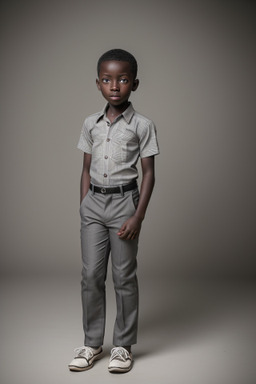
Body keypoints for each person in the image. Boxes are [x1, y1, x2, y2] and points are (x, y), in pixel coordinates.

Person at [69, 49, 159, 374]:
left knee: (123, 277)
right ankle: (92, 343)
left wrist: (138, 216)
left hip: (124, 205)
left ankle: (122, 346)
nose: (115, 86)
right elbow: (85, 168)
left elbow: (149, 173)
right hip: (94, 204)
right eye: (107, 80)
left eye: (122, 79)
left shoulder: (143, 125)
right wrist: (84, 204)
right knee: (91, 275)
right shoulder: (89, 124)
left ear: (134, 83)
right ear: (98, 84)